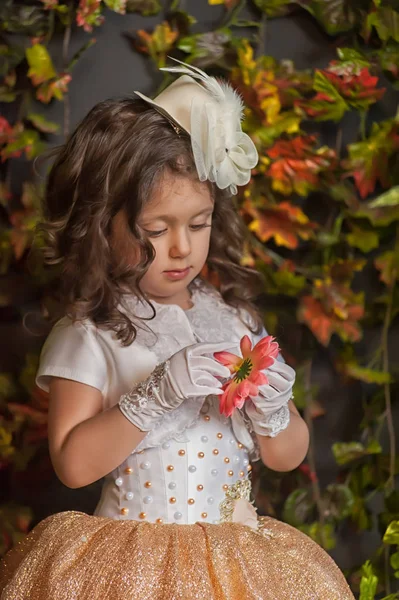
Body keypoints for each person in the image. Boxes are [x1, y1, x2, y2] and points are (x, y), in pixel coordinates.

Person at [0, 60, 354, 599]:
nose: (182, 248)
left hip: (240, 562)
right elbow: (73, 466)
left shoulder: (236, 320)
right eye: (156, 230)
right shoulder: (91, 332)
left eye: (199, 223)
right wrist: (155, 394)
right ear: (103, 222)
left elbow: (286, 456)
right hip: (130, 567)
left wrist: (274, 409)